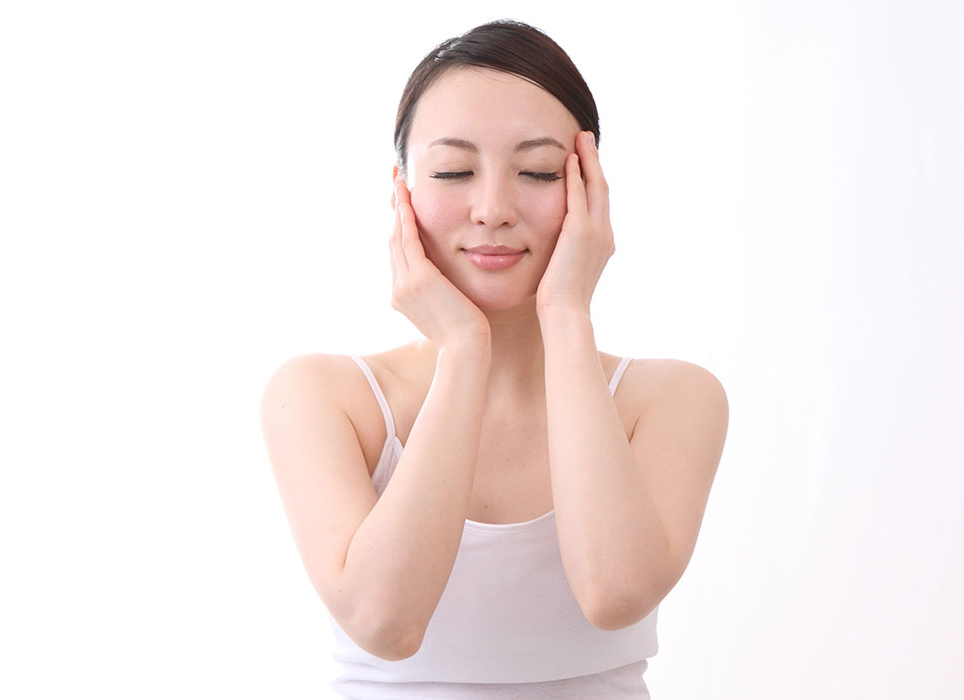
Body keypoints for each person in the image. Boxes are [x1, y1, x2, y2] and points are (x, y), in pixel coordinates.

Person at [260, 19, 729, 699]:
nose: (492, 209)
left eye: (537, 172)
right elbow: (385, 623)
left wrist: (566, 315)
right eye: (454, 171)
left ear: (591, 189)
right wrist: (462, 351)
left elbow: (614, 593)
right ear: (402, 192)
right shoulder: (323, 395)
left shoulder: (671, 398)